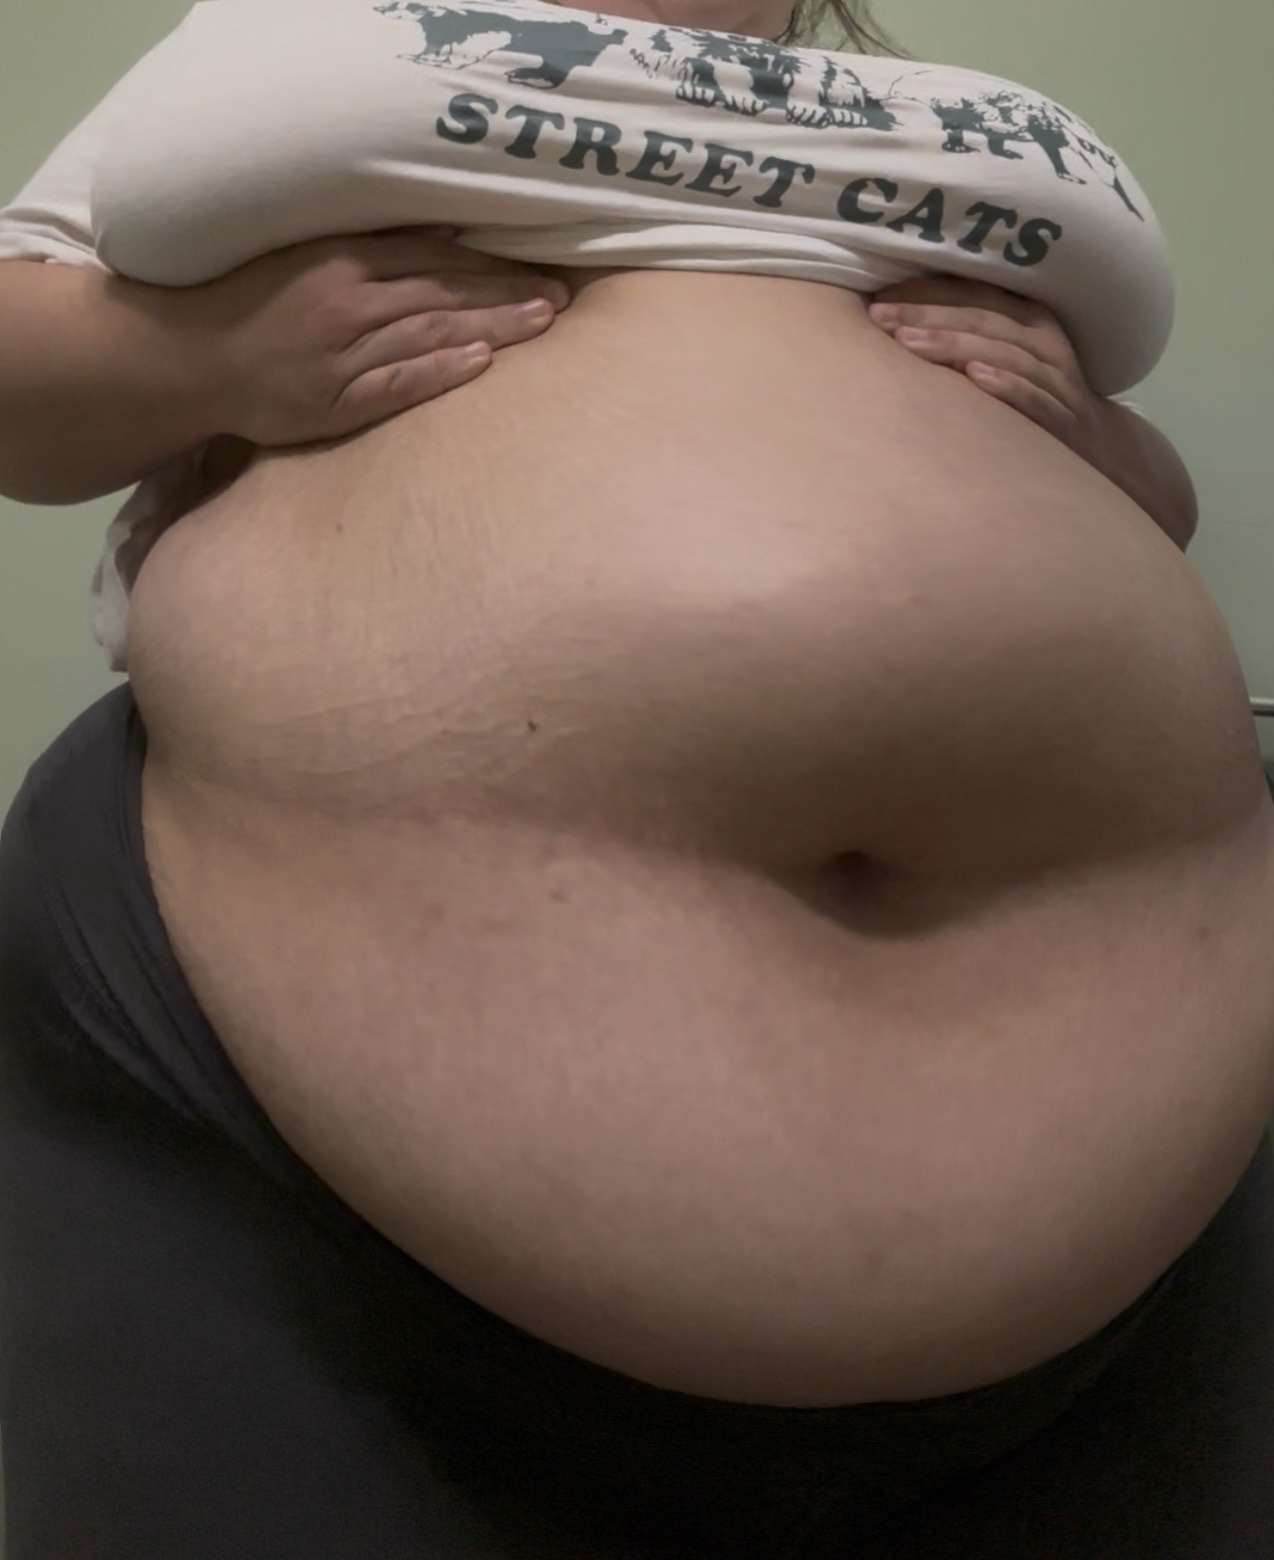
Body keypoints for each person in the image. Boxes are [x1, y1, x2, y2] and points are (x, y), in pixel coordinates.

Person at [1, 0, 1273, 1554]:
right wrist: (201, 356)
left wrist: (1095, 439)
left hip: (1135, 1213)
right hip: (286, 1123)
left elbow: (1149, 500)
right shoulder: (324, 37)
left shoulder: (926, 120)